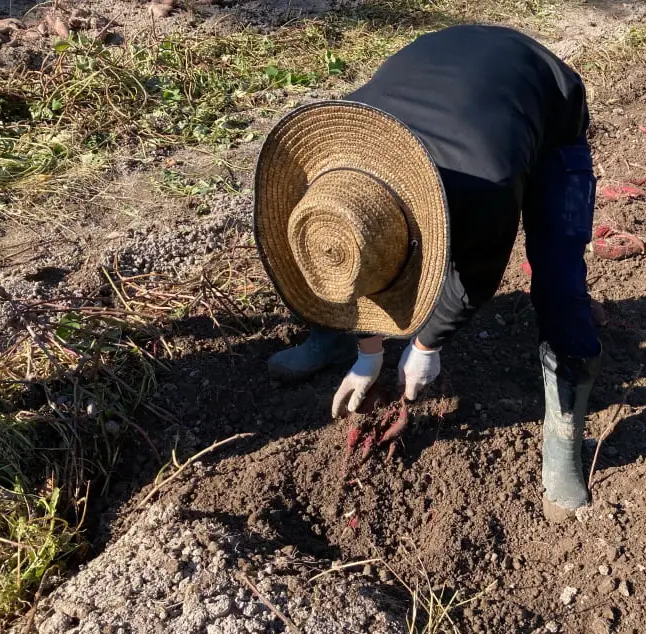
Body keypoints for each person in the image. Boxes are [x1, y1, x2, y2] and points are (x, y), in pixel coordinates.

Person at [253, 25, 602, 521]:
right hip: (442, 74)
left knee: (559, 277)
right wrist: (368, 352)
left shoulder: (488, 185)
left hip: (539, 101)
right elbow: (349, 249)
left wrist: (424, 347)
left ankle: (564, 432)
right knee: (342, 245)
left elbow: (473, 278)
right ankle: (333, 337)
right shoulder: (336, 148)